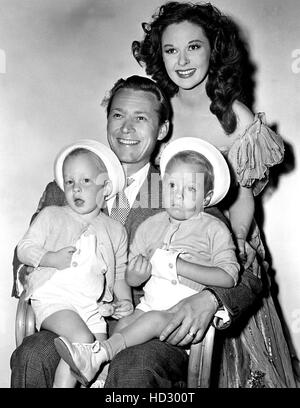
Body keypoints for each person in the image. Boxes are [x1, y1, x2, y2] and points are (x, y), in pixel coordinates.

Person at [11, 75, 263, 388]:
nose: (126, 128)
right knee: (32, 354)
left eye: (140, 118)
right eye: (118, 115)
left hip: (151, 330)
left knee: (134, 367)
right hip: (72, 318)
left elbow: (249, 276)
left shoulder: (183, 188)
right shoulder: (65, 187)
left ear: (162, 129)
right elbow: (23, 264)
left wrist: (210, 299)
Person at [131, 2, 297, 387]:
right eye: (171, 50)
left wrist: (236, 245)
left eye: (194, 47)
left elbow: (243, 196)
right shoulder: (162, 110)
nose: (183, 60)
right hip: (174, 237)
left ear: (214, 50)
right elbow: (155, 187)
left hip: (224, 238)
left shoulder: (233, 114)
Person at [54, 138, 240, 387]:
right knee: (124, 324)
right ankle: (101, 374)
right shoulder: (150, 226)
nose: (179, 195)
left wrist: (178, 266)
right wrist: (137, 276)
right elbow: (129, 277)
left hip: (180, 316)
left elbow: (230, 276)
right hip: (148, 305)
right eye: (172, 185)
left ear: (206, 198)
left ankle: (100, 356)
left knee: (151, 320)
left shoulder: (213, 228)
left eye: (190, 189)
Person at [16, 140, 133, 387]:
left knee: (100, 364)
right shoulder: (52, 215)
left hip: (92, 309)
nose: (76, 189)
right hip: (55, 299)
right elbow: (24, 249)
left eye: (85, 181)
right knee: (81, 339)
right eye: (70, 182)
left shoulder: (115, 230)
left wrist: (125, 303)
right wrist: (51, 259)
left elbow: (120, 276)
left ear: (106, 187)